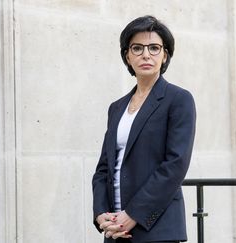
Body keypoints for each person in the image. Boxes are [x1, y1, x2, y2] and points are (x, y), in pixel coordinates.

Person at [92, 15, 196, 243]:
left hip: (155, 228)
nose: (146, 54)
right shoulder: (117, 108)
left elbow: (175, 165)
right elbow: (104, 168)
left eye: (154, 48)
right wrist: (101, 214)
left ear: (165, 54)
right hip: (115, 228)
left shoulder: (178, 99)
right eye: (137, 48)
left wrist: (133, 214)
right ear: (127, 56)